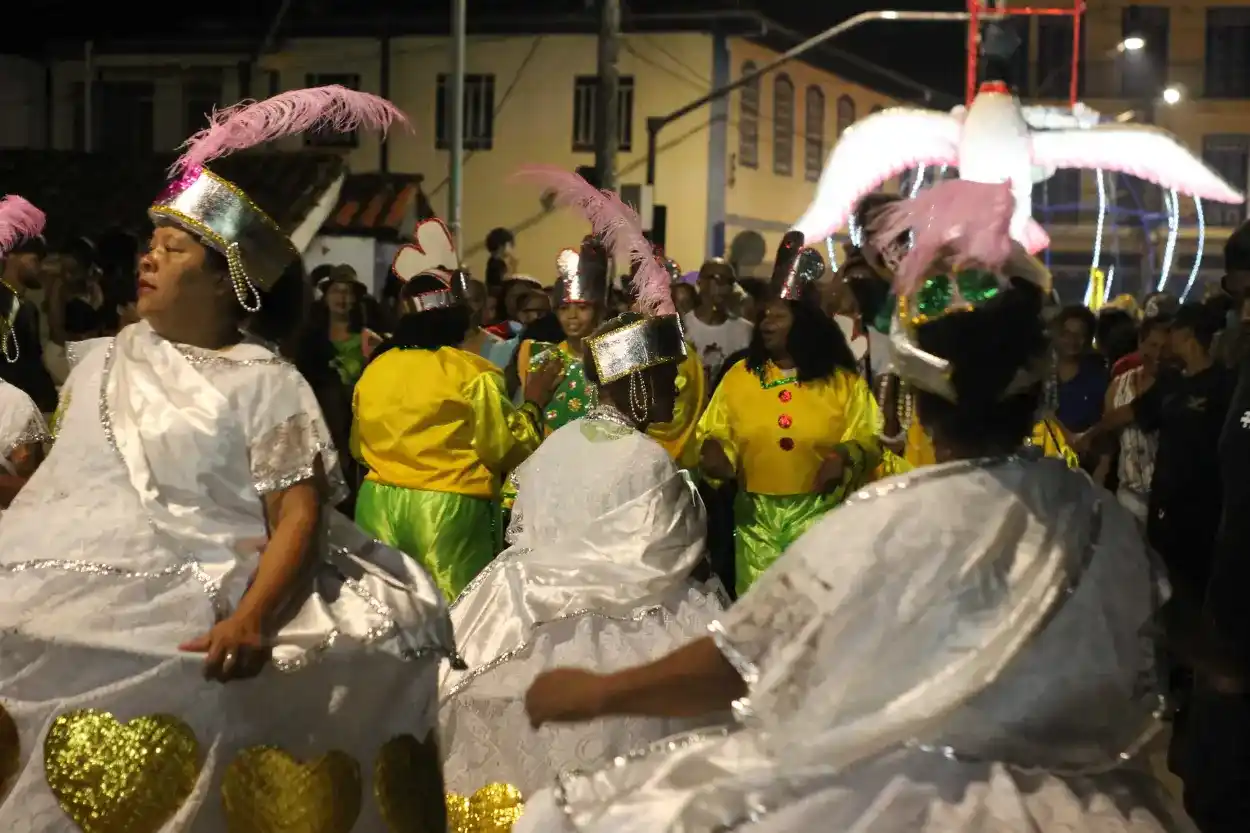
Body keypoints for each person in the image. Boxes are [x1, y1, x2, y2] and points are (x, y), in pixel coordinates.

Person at [514, 180, 1182, 833]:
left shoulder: (894, 517)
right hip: (1095, 805)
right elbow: (1165, 618)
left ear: (918, 401)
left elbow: (748, 660)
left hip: (927, 800)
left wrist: (602, 692)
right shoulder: (1094, 512)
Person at [0, 87, 461, 832]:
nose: (147, 258)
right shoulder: (103, 362)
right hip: (79, 584)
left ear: (227, 279)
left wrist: (251, 618)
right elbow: (60, 488)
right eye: (151, 244)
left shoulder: (267, 384)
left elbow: (299, 516)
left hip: (209, 592)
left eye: (173, 247)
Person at [441, 310, 725, 797]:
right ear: (639, 381)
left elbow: (523, 533)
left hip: (531, 626)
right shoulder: (648, 459)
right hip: (630, 630)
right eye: (667, 375)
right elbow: (667, 562)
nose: (678, 387)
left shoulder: (556, 444)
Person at [352, 218, 557, 600]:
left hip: (376, 504)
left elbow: (356, 445)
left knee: (382, 616)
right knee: (459, 621)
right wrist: (533, 404)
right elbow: (504, 448)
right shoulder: (472, 372)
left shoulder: (376, 369)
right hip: (447, 511)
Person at [698, 232, 881, 595]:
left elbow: (870, 437)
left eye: (777, 316)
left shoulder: (841, 382)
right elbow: (714, 430)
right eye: (763, 316)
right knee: (759, 618)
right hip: (755, 523)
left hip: (822, 519)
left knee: (812, 616)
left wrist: (843, 456)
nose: (765, 323)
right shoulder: (740, 376)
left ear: (804, 322)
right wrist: (716, 453)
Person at [1105, 315, 1170, 523]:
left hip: (1166, 498)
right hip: (1128, 496)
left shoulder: (1177, 386)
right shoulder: (1119, 384)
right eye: (1152, 345)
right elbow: (1109, 441)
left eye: (1164, 347)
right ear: (1140, 343)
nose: (1158, 353)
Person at [683, 258, 753, 387]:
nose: (725, 286)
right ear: (700, 282)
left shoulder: (746, 331)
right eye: (718, 278)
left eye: (730, 282)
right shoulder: (682, 326)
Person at [485, 226, 515, 290]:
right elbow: (504, 283)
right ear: (502, 246)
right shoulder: (498, 264)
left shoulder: (492, 261)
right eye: (510, 244)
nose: (512, 248)